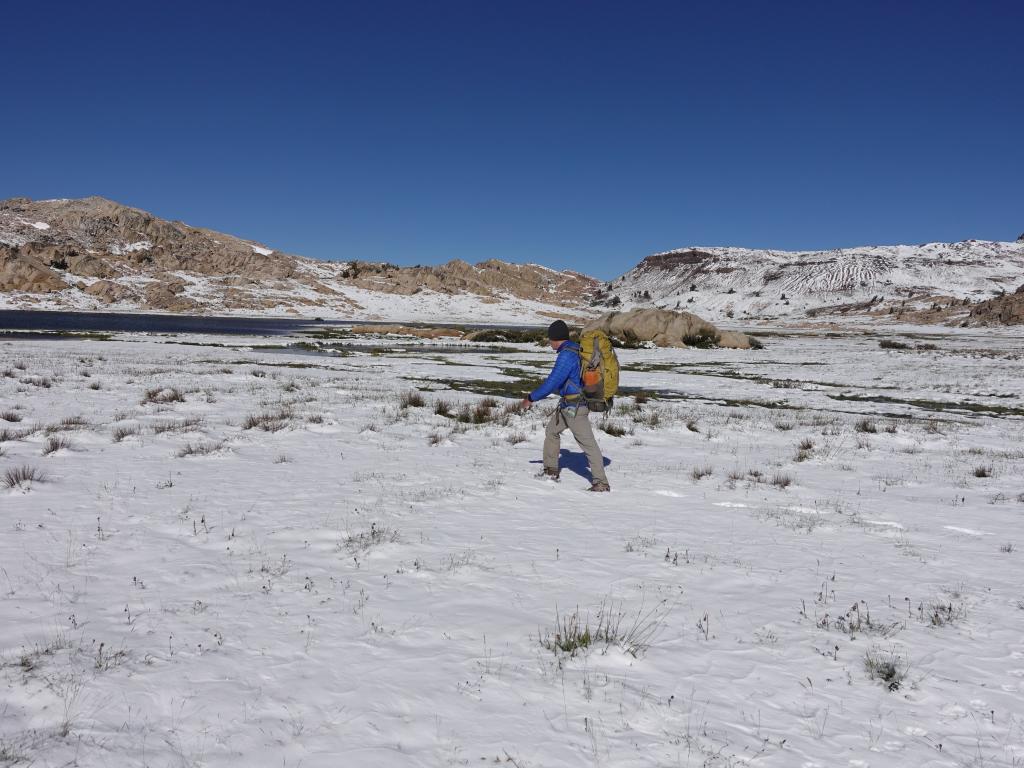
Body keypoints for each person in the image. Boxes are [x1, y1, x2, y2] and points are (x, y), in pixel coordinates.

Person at [521, 320, 611, 492]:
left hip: (576, 408)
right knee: (552, 431)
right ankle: (551, 470)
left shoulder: (566, 356)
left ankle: (601, 482)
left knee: (588, 444)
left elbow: (552, 382)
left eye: (550, 339)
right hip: (567, 405)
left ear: (556, 338)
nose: (548, 342)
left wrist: (531, 398)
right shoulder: (574, 349)